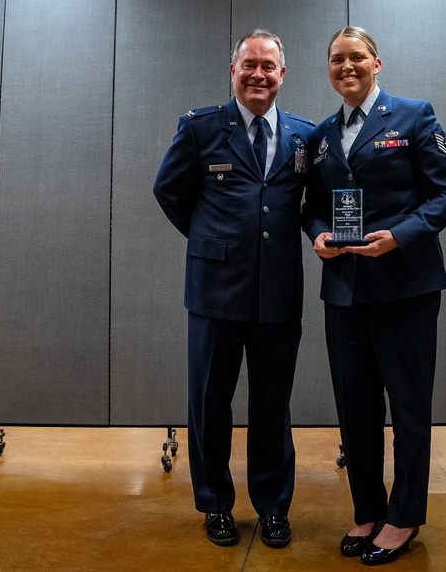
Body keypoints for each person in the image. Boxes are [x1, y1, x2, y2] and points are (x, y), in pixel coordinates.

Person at [302, 26, 446, 566]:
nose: (346, 67)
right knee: (356, 410)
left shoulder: (415, 115)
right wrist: (319, 234)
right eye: (336, 59)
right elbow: (311, 206)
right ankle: (368, 511)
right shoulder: (321, 135)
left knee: (410, 408)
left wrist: (400, 236)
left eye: (356, 58)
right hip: (344, 292)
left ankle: (403, 518)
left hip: (405, 288)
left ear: (377, 63)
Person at [153, 29, 314, 549]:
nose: (259, 74)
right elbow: (169, 191)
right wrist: (210, 241)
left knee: (272, 406)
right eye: (249, 65)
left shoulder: (303, 136)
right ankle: (216, 505)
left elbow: (307, 205)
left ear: (282, 75)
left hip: (278, 294)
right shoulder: (200, 129)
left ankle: (272, 508)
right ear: (233, 70)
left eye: (269, 66)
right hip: (214, 293)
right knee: (210, 403)